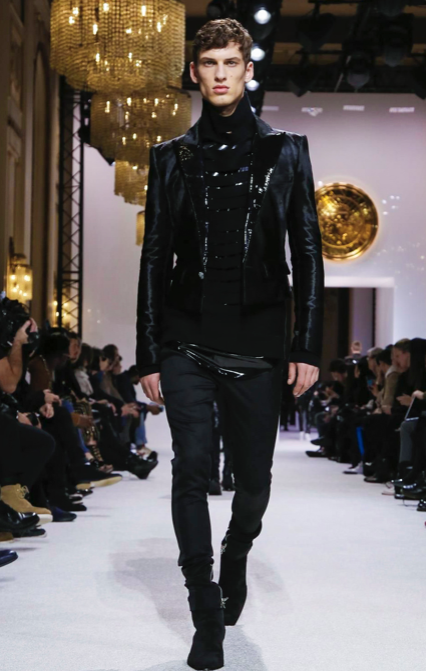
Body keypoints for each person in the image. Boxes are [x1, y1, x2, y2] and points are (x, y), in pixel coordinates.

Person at [136, 18, 324, 671]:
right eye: (209, 63)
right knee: (191, 469)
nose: (220, 74)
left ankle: (236, 551)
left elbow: (308, 252)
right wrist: (149, 352)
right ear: (195, 72)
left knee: (254, 484)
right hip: (186, 339)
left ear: (248, 70)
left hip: (258, 341)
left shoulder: (288, 151)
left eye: (230, 62)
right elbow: (154, 258)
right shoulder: (169, 157)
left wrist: (306, 346)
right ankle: (205, 612)